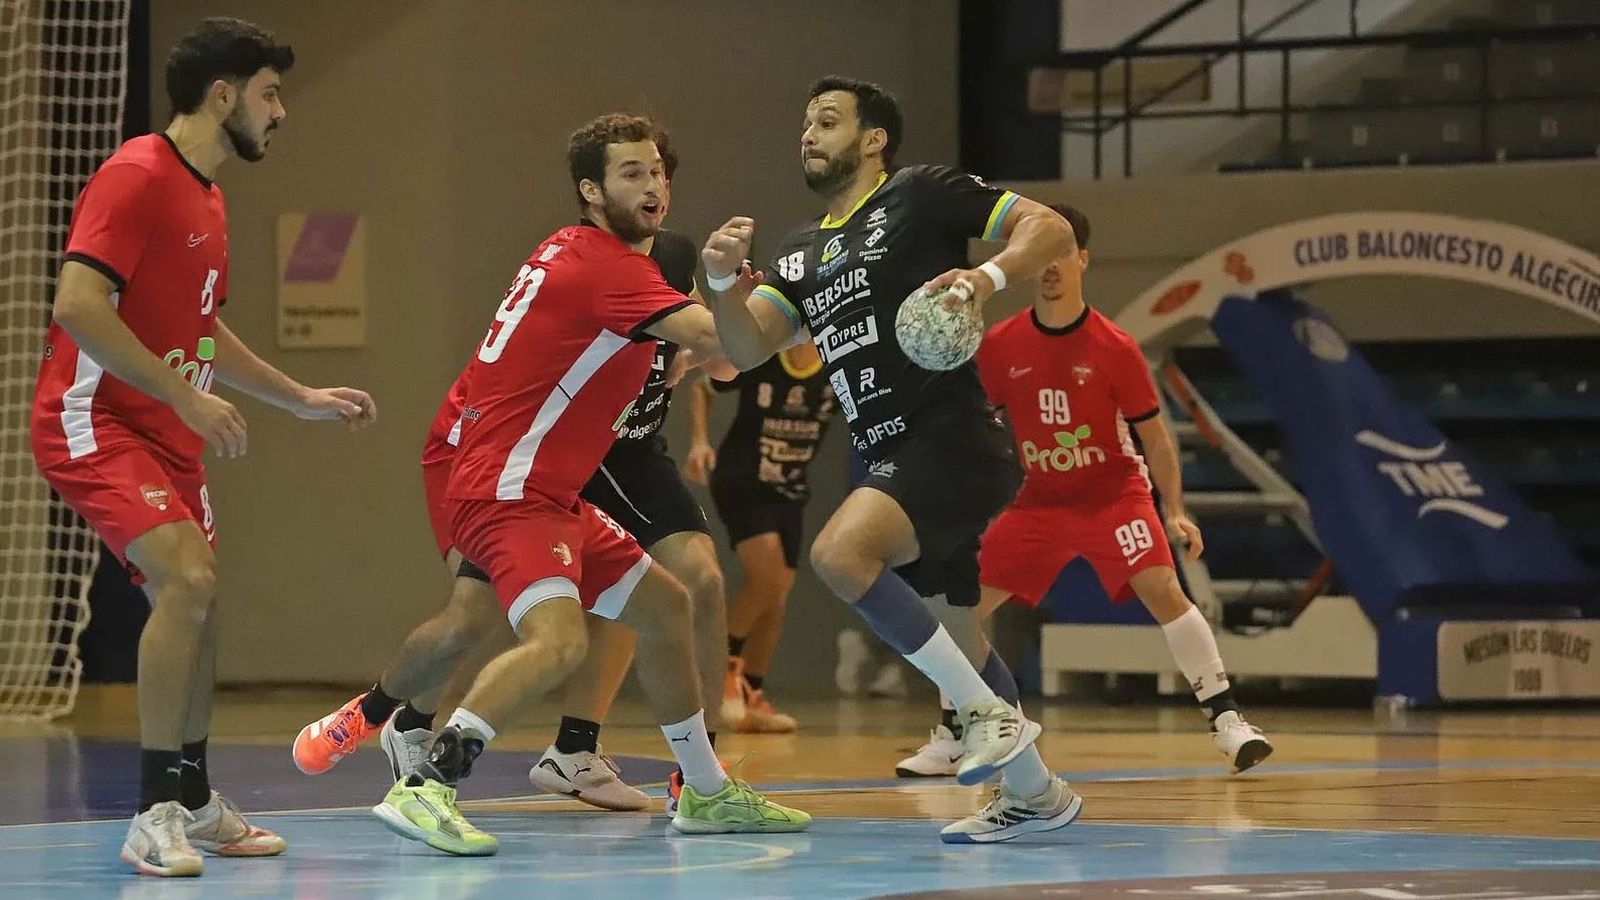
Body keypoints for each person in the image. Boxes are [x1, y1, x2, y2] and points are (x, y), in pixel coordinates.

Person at [301, 114, 808, 857]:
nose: (652, 185)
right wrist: (784, 297)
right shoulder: (611, 271)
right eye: (630, 173)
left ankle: (703, 790)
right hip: (509, 486)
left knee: (667, 606)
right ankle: (428, 782)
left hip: (546, 486)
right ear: (591, 189)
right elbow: (729, 343)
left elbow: (716, 355)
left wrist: (753, 311)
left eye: (657, 171)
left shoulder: (585, 255)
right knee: (555, 641)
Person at [29, 18, 377, 877]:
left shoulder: (209, 195)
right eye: (269, 93)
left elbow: (200, 325)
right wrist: (187, 393)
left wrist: (294, 395)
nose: (280, 111)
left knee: (204, 598)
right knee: (187, 579)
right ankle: (150, 812)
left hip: (165, 427)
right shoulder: (136, 173)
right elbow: (77, 304)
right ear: (222, 95)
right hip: (96, 420)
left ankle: (190, 795)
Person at [698, 75, 1081, 843]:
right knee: (960, 640)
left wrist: (985, 276)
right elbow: (742, 351)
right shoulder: (801, 252)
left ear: (873, 140)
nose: (808, 134)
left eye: (828, 121)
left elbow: (1050, 229)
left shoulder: (921, 193)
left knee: (841, 554)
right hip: (889, 455)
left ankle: (976, 716)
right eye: (804, 123)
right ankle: (1038, 794)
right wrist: (716, 285)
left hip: (952, 436)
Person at [897, 204, 1273, 780]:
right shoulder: (999, 345)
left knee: (1161, 586)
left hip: (1111, 494)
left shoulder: (1115, 347)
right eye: (1040, 256)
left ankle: (1227, 721)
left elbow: (1156, 437)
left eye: (1061, 254)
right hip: (1033, 503)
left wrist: (1175, 511)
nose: (1049, 265)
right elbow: (975, 427)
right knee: (961, 608)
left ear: (1082, 261)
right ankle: (956, 732)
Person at [682, 339, 837, 732]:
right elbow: (702, 386)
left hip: (791, 488)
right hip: (743, 479)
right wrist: (700, 442)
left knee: (778, 594)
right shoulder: (764, 358)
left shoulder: (836, 365)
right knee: (768, 577)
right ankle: (723, 671)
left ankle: (752, 691)